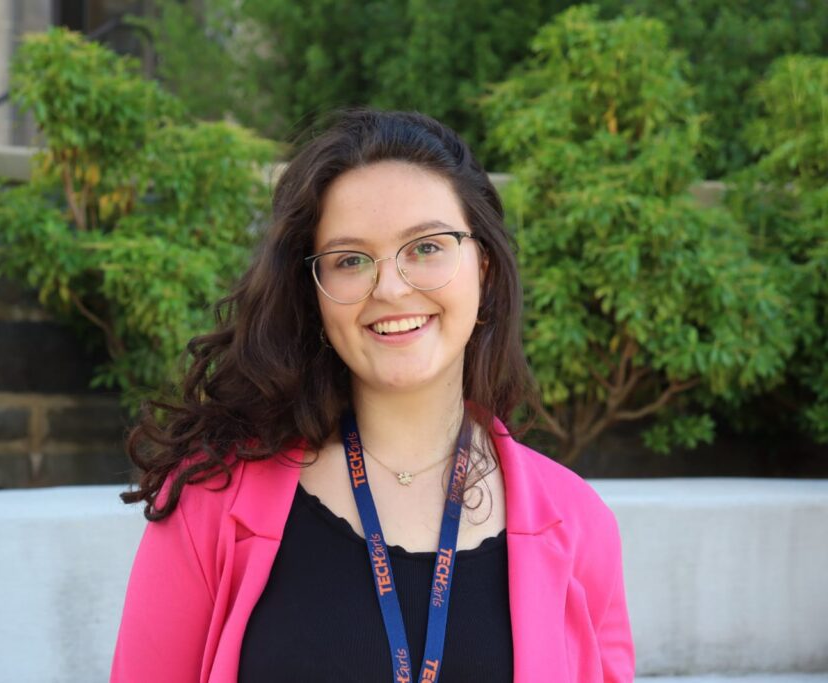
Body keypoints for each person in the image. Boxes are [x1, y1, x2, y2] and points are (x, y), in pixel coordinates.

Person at [110, 109, 634, 682]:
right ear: (314, 294)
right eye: (350, 261)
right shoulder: (209, 501)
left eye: (427, 247)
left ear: (482, 267)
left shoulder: (580, 526)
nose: (390, 287)